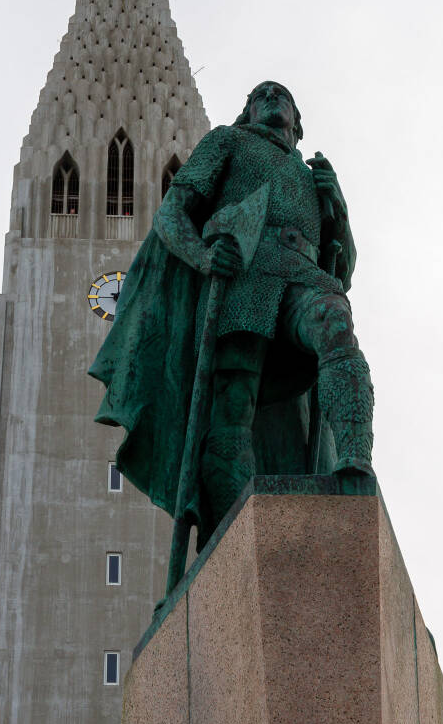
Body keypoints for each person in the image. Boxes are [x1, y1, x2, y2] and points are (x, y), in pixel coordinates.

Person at [90, 81, 374, 545]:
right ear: (247, 113)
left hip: (303, 276)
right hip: (245, 278)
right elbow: (172, 212)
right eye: (261, 96)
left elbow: (342, 268)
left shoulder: (312, 175)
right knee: (232, 405)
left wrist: (337, 207)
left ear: (297, 122)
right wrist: (202, 257)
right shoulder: (229, 140)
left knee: (336, 323)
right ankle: (234, 532)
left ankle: (354, 457)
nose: (270, 101)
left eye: (280, 96)